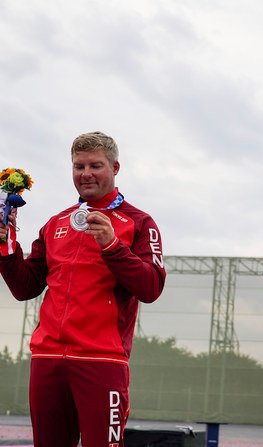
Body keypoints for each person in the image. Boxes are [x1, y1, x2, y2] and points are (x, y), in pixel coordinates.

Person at [0, 132, 166, 447]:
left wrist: (113, 246)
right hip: (47, 358)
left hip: (101, 361)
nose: (85, 173)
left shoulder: (139, 222)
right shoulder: (55, 223)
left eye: (95, 165)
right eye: (78, 166)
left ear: (115, 168)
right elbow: (25, 287)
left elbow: (151, 287)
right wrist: (6, 244)